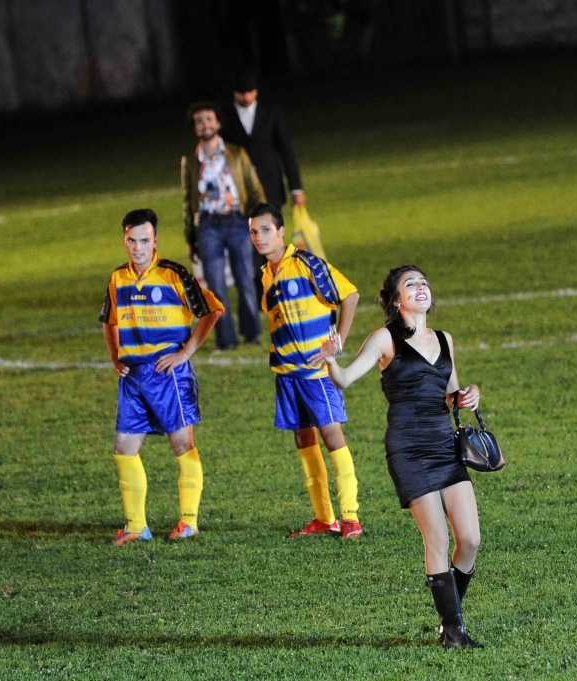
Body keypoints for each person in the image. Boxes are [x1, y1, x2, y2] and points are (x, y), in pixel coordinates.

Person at [313, 264, 483, 649]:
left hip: (444, 445)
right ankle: (453, 632)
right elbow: (344, 379)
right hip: (408, 447)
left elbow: (450, 394)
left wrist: (468, 395)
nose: (421, 287)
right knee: (437, 539)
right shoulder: (384, 339)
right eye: (410, 284)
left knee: (470, 540)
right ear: (395, 300)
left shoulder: (444, 339)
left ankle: (450, 619)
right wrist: (330, 359)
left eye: (424, 282)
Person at [100, 208, 224, 544]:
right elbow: (109, 320)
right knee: (123, 449)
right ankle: (136, 527)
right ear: (124, 240)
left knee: (182, 445)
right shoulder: (118, 278)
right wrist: (115, 354)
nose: (138, 248)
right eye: (132, 240)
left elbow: (212, 311)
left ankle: (189, 522)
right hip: (133, 378)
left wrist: (185, 353)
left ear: (155, 240)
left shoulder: (174, 274)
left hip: (169, 375)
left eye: (144, 240)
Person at [248, 203, 363, 539]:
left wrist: (337, 342)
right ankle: (324, 517)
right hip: (288, 373)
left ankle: (351, 517)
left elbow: (350, 295)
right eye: (254, 232)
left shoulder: (306, 263)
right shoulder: (266, 274)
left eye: (265, 230)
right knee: (303, 438)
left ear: (281, 231)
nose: (259, 237)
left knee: (332, 437)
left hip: (316, 374)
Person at [182, 101, 266, 350]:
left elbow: (255, 189)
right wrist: (190, 237)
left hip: (237, 221)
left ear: (218, 123)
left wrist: (261, 222)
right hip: (208, 227)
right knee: (215, 284)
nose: (205, 124)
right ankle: (226, 339)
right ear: (194, 128)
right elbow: (188, 201)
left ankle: (252, 333)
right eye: (199, 121)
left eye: (209, 119)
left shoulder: (237, 153)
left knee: (246, 278)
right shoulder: (190, 161)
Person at [220, 68, 307, 303]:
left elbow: (286, 151)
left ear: (257, 91)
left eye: (250, 91)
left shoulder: (272, 112)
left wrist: (296, 188)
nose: (246, 96)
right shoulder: (224, 116)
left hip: (271, 188)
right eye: (242, 92)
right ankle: (256, 295)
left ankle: (275, 288)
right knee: (249, 243)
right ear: (234, 93)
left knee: (271, 240)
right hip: (238, 193)